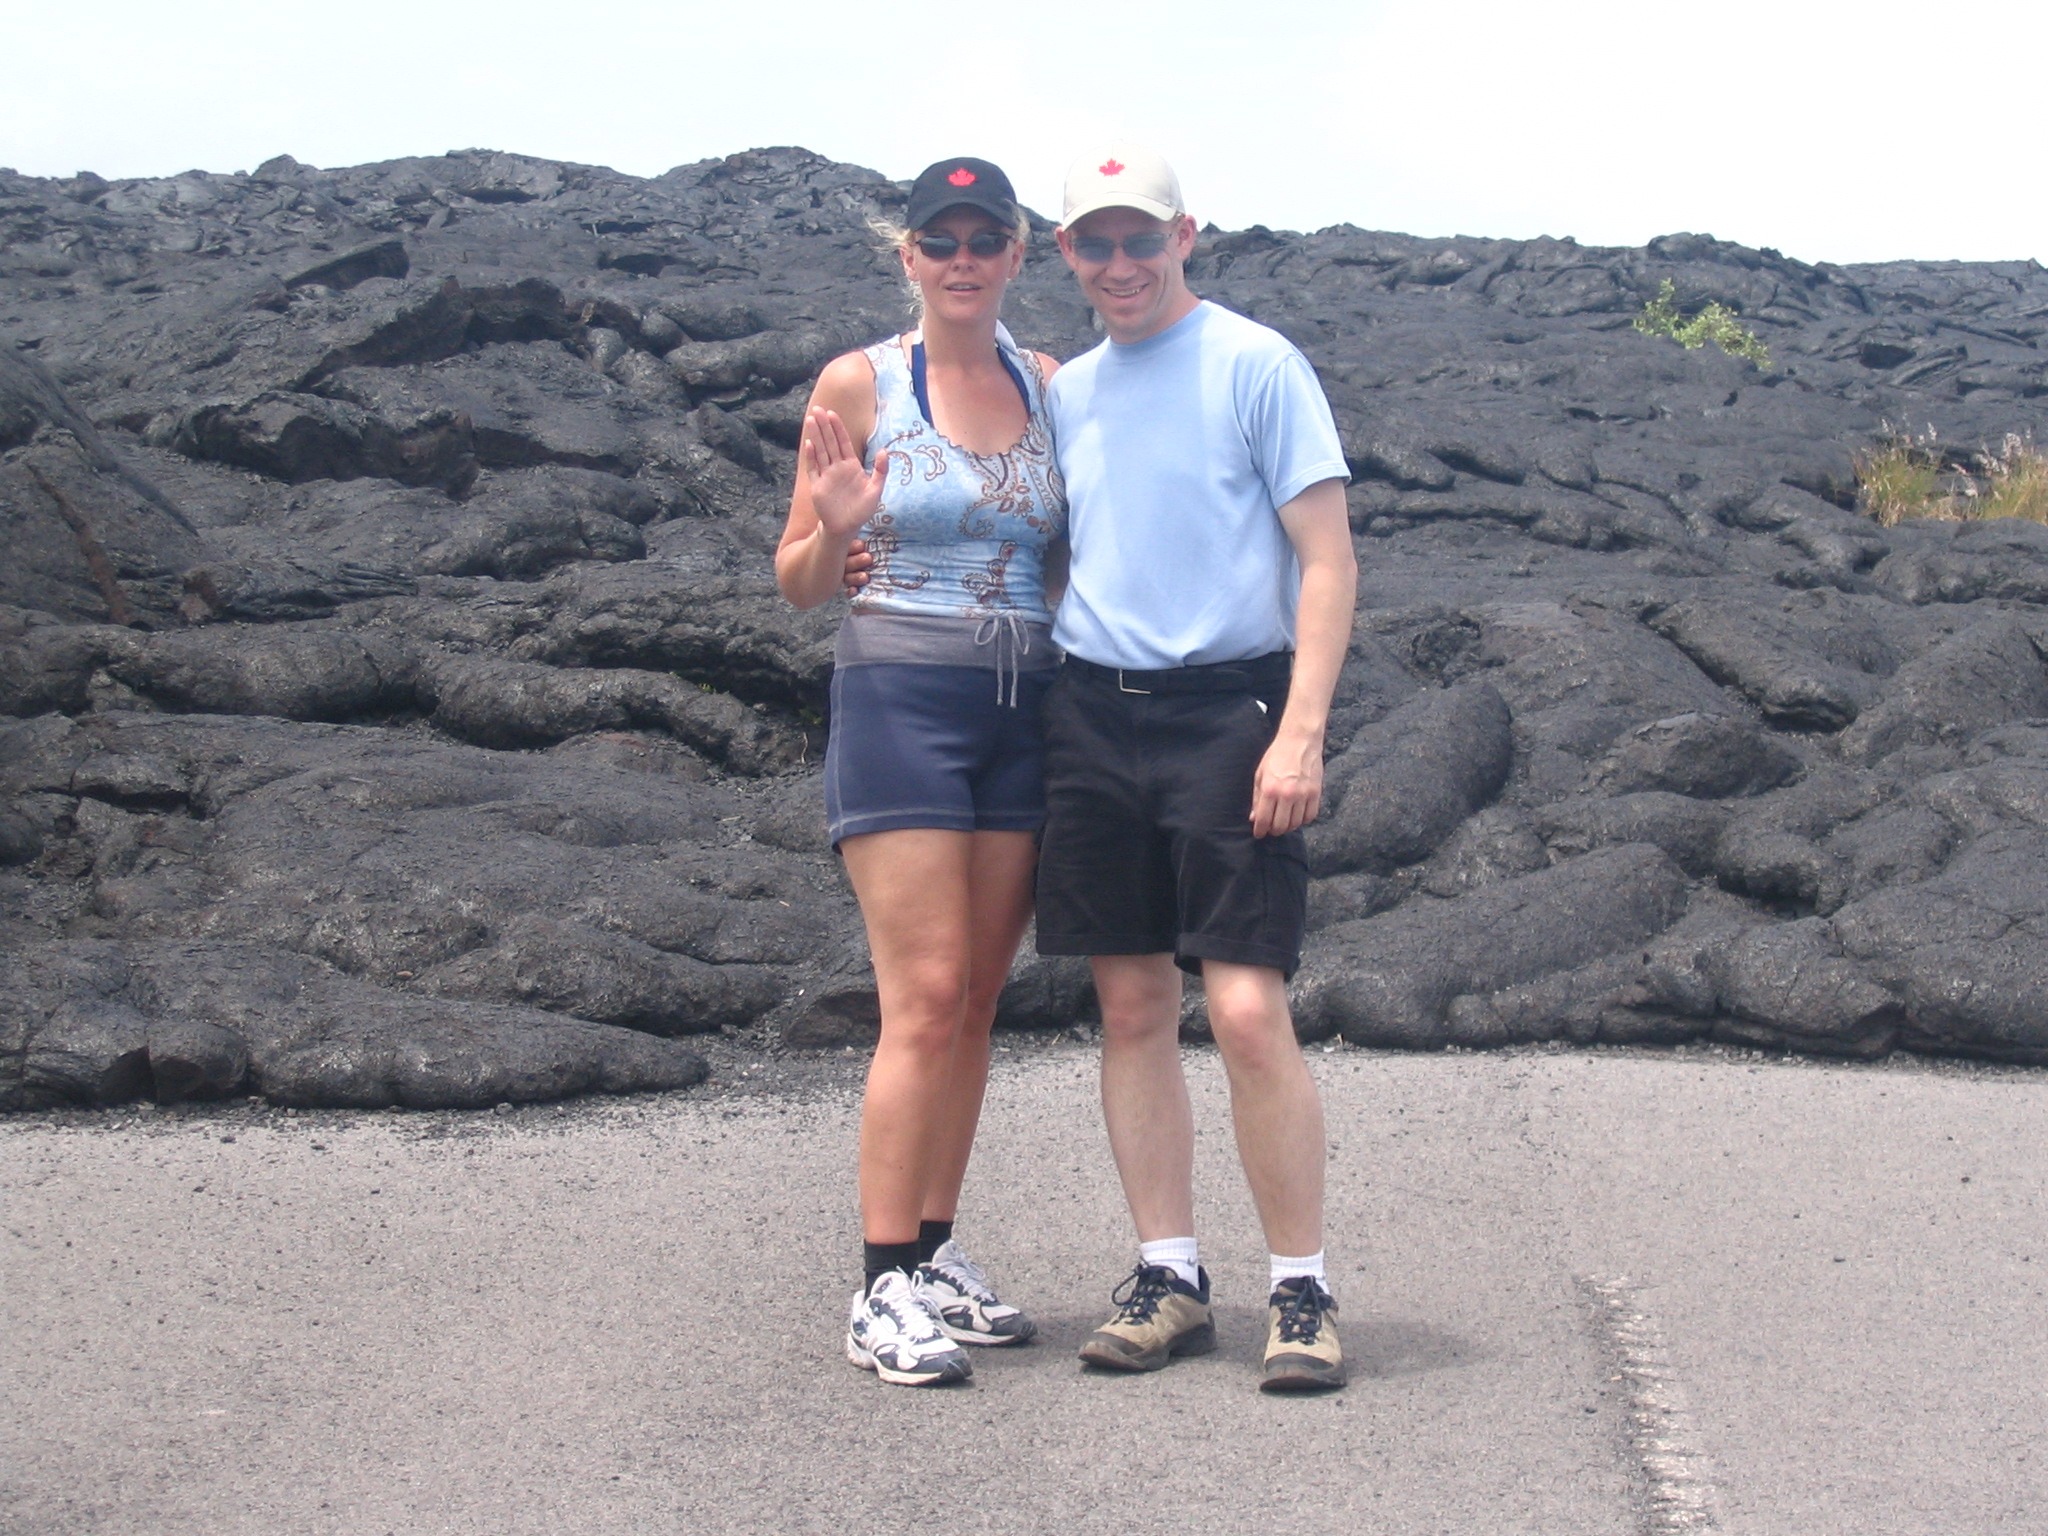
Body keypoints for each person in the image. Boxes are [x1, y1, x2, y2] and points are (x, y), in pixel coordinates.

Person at [1036, 145, 1358, 1393]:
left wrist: (1300, 730)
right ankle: (1168, 1276)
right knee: (1127, 1008)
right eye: (1092, 243)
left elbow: (1323, 559)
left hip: (1230, 711)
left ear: (1186, 235)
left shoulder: (1255, 364)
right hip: (1093, 711)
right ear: (1065, 253)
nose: (1118, 264)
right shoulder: (1069, 394)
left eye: (1139, 238)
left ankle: (1301, 1289)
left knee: (1241, 1008)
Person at [775, 156, 1066, 1387]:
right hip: (899, 694)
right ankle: (878, 1283)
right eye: (937, 238)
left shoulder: (1050, 385)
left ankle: (936, 1252)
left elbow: (1067, 559)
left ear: (1013, 255)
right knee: (925, 993)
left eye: (982, 237)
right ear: (906, 255)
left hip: (1026, 702)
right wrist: (835, 521)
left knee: (981, 1000)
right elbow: (793, 579)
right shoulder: (860, 380)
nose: (959, 258)